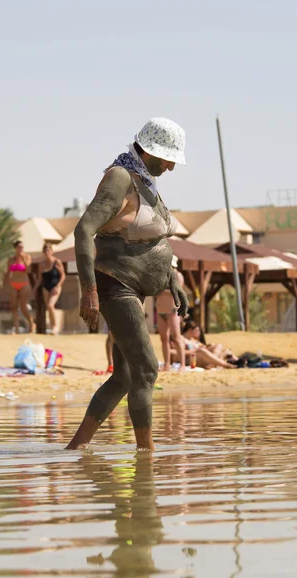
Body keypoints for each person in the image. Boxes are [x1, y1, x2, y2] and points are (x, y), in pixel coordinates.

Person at [66, 117, 189, 451]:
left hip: (134, 290)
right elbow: (83, 230)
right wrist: (88, 291)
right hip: (114, 286)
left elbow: (155, 241)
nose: (171, 168)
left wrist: (171, 280)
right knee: (147, 370)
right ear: (149, 152)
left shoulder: (145, 182)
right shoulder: (119, 177)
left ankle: (76, 449)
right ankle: (146, 456)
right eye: (168, 160)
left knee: (125, 377)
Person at [156, 256, 186, 371]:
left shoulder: (178, 276)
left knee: (176, 337)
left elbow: (178, 291)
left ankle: (182, 364)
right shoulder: (161, 276)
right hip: (160, 311)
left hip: (172, 311)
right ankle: (167, 364)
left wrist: (162, 291)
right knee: (164, 339)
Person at [35, 243, 66, 334]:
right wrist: (34, 289)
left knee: (50, 305)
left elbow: (63, 275)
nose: (47, 252)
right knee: (48, 308)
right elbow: (40, 278)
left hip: (55, 287)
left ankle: (55, 327)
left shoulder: (57, 262)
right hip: (46, 288)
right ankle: (53, 327)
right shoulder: (41, 264)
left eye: (48, 250)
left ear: (52, 251)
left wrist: (58, 286)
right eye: (45, 250)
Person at [6, 240, 35, 333]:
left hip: (24, 283)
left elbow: (29, 270)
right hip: (13, 283)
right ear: (15, 248)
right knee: (14, 306)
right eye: (19, 247)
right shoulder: (11, 260)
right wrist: (5, 284)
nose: (21, 249)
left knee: (23, 307)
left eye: (22, 247)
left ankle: (31, 323)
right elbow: (8, 273)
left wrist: (22, 258)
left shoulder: (27, 257)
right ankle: (16, 328)